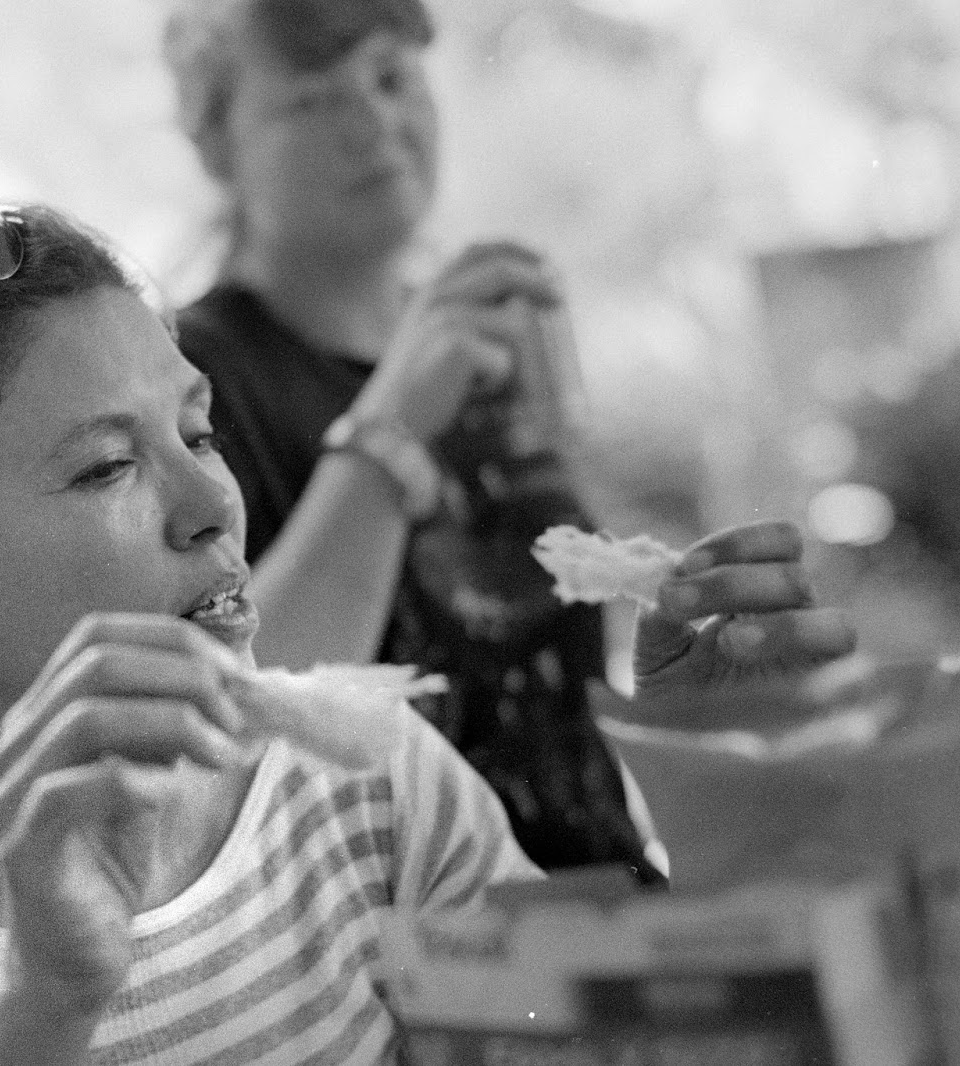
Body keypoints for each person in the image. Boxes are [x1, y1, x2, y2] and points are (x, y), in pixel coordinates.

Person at [0, 200, 854, 1065]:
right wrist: (46, 995)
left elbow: (589, 1044)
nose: (210, 503)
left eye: (199, 430)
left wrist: (719, 790)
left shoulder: (370, 783)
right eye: (107, 466)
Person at [163, 0, 664, 881]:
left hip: (603, 910)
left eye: (392, 78)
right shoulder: (187, 380)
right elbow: (230, 719)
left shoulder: (483, 344)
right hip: (408, 938)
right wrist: (389, 431)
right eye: (313, 99)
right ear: (216, 148)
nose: (374, 124)